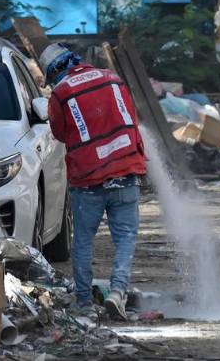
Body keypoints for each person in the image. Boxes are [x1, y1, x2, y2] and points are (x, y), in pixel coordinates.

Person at [42, 42, 147, 320]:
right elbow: (131, 119)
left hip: (88, 178)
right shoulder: (113, 79)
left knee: (83, 241)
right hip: (126, 170)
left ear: (54, 72)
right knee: (125, 238)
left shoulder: (61, 93)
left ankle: (85, 302)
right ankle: (117, 292)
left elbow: (61, 133)